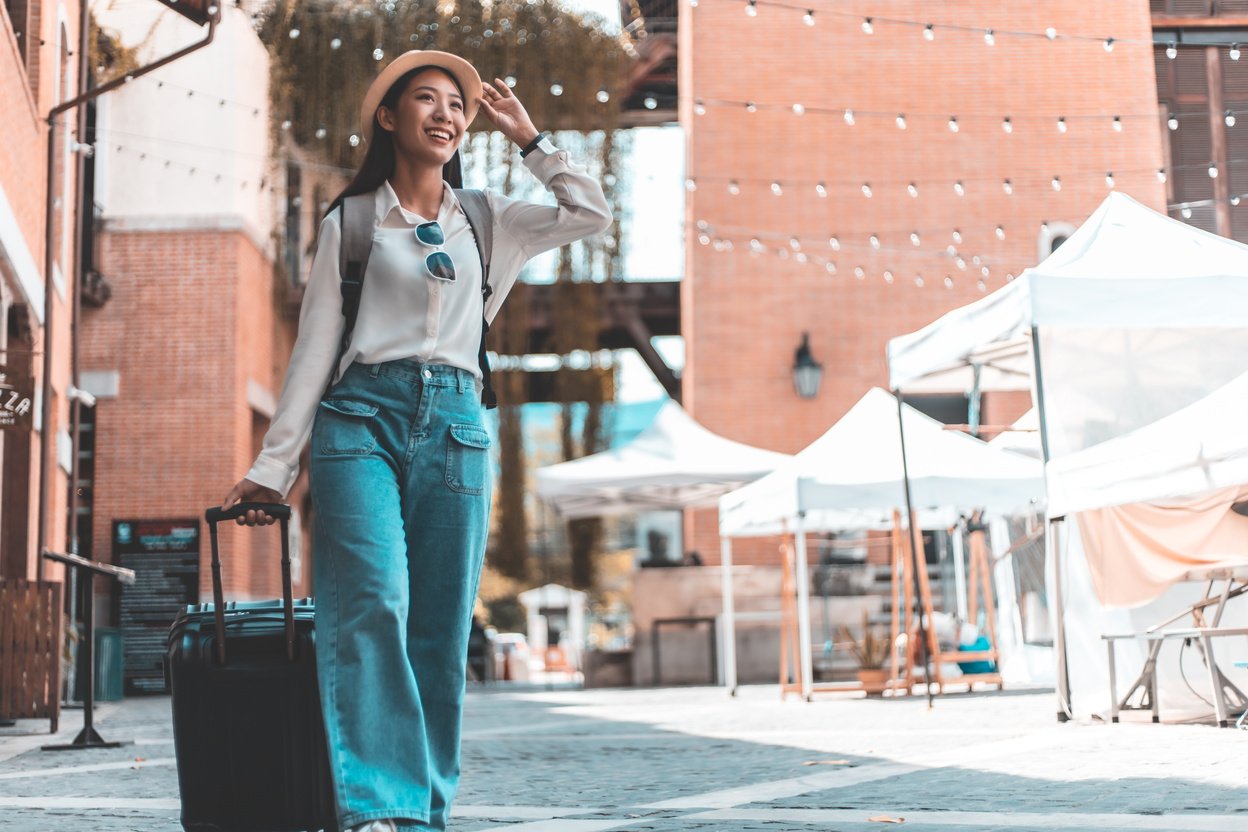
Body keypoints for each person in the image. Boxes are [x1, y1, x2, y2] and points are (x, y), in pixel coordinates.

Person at [221, 50, 611, 832]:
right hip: (359, 420)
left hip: (460, 425)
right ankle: (378, 807)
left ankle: (421, 811)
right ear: (389, 119)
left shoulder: (489, 218)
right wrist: (272, 468)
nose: (446, 113)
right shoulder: (354, 223)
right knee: (374, 603)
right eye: (424, 100)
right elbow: (314, 353)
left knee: (437, 628)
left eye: (457, 105)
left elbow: (591, 214)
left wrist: (532, 141)